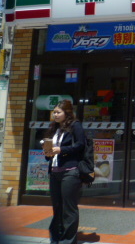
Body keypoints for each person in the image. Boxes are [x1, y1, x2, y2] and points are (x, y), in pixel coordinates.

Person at [43, 100, 85, 244]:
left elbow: (80, 145)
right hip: (54, 171)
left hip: (70, 171)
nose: (55, 115)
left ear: (67, 113)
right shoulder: (54, 127)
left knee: (69, 208)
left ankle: (68, 240)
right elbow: (51, 147)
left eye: (58, 112)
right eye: (54, 112)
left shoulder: (75, 125)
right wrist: (48, 152)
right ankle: (56, 237)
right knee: (57, 206)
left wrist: (62, 150)